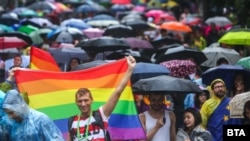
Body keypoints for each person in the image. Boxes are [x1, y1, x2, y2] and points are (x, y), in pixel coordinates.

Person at [67, 55, 136, 141]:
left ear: (92, 100)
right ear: (76, 102)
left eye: (86, 100)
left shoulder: (101, 114)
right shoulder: (71, 121)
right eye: (80, 101)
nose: (83, 104)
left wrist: (130, 69)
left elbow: (117, 92)